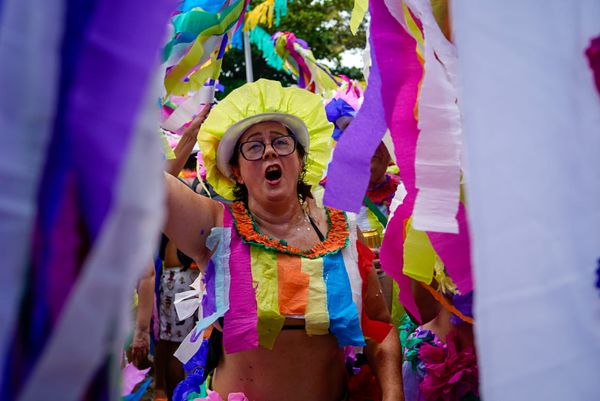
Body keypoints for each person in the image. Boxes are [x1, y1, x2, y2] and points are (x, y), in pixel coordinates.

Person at [163, 79, 403, 401]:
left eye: (281, 141)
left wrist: (393, 394)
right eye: (253, 147)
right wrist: (189, 136)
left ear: (301, 159)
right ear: (236, 170)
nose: (270, 151)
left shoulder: (343, 231)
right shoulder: (215, 227)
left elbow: (379, 328)